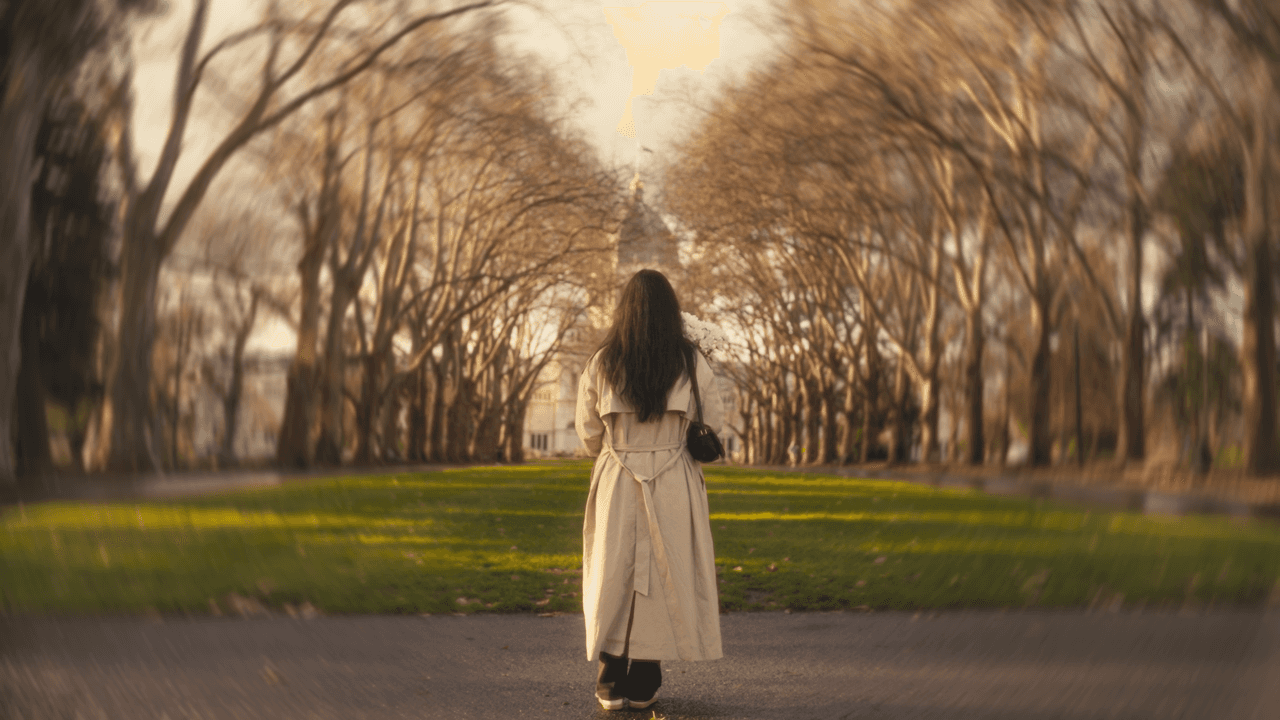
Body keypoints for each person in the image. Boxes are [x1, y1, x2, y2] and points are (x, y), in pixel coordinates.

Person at [575, 269, 725, 711]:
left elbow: (587, 435)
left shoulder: (602, 361)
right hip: (672, 476)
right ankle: (644, 674)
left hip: (618, 475)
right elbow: (712, 420)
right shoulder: (691, 361)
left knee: (612, 570)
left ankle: (609, 674)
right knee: (665, 573)